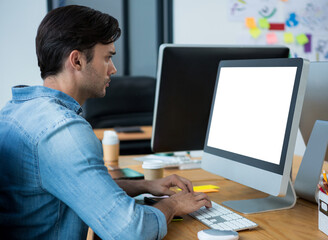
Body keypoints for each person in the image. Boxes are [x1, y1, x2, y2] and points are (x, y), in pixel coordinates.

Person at [0, 5, 211, 240]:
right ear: (77, 60)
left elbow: (75, 187)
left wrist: (145, 186)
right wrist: (173, 205)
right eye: (108, 57)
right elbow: (133, 231)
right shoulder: (63, 131)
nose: (113, 69)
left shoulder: (12, 111)